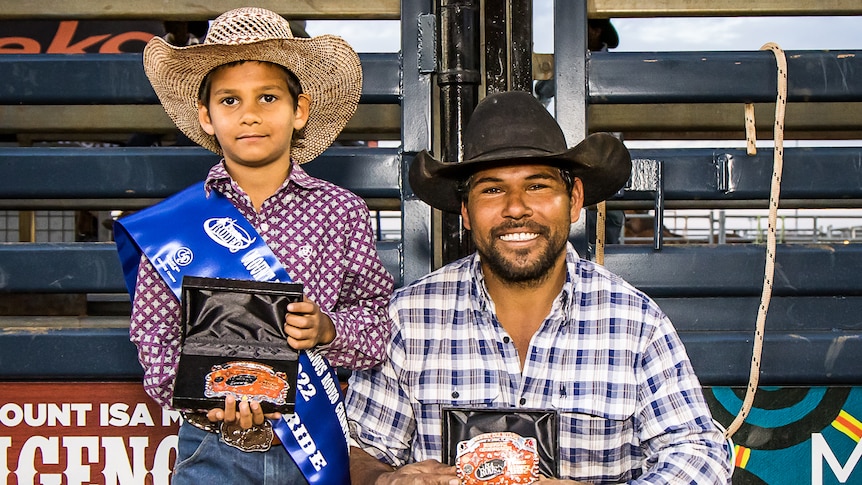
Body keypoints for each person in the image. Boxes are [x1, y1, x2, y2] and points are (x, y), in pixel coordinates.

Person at [345, 91, 732, 484]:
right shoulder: (409, 318)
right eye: (492, 189)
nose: (516, 208)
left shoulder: (635, 322)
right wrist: (385, 479)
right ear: (465, 211)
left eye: (537, 186)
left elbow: (699, 455)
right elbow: (353, 448)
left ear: (574, 199)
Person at [118, 7, 393, 484]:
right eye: (229, 101)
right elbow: (154, 339)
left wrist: (328, 330)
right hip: (210, 444)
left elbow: (376, 325)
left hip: (313, 440)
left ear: (299, 110)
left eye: (268, 97)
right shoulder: (176, 223)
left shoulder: (341, 210)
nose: (249, 114)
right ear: (205, 117)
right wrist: (206, 403)